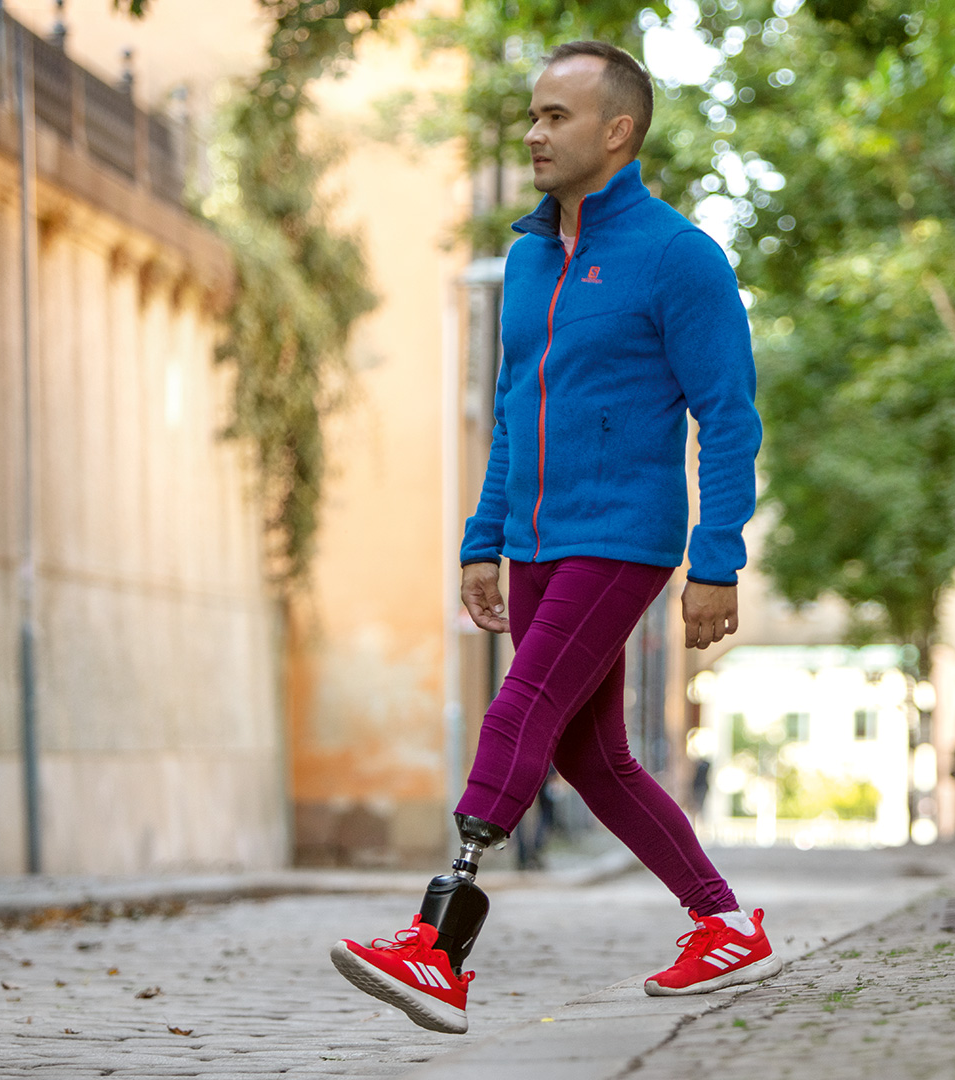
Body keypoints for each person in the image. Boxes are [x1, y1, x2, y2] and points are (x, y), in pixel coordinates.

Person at [328, 40, 778, 1035]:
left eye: (555, 118)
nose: (533, 133)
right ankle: (723, 923)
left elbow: (730, 414)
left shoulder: (680, 258)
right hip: (530, 538)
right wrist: (481, 538)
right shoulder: (529, 261)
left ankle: (438, 945)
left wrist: (717, 558)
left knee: (518, 706)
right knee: (591, 753)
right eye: (531, 116)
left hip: (622, 534)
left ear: (618, 132)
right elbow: (511, 408)